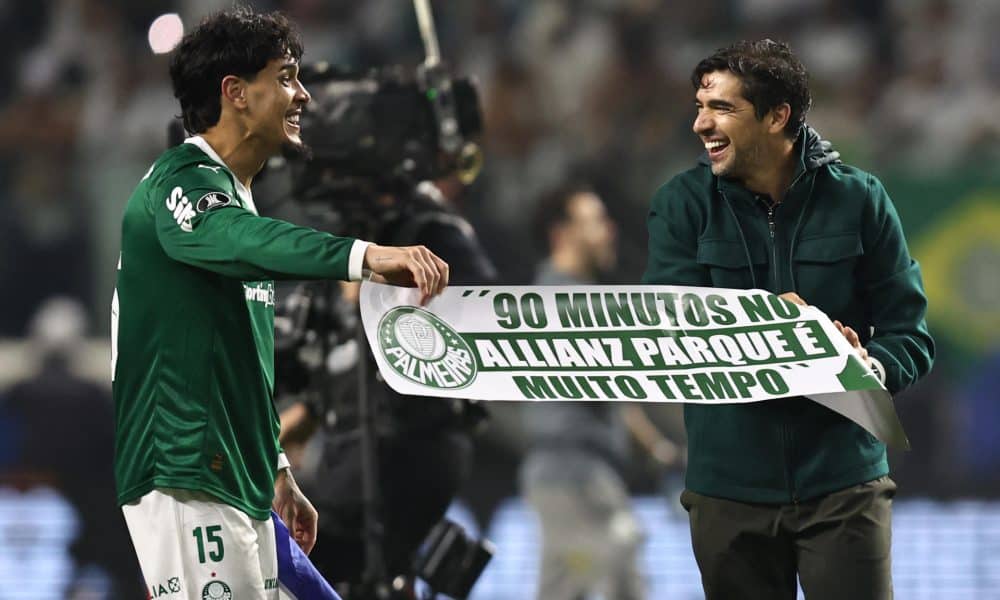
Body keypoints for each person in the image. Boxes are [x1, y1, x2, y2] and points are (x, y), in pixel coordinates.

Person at [111, 9, 449, 599]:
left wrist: (278, 467)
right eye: (287, 77)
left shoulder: (233, 201)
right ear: (235, 92)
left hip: (235, 479)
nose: (304, 95)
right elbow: (246, 242)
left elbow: (238, 362)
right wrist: (368, 255)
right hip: (187, 473)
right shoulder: (179, 184)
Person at [642, 40, 934, 600]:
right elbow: (672, 331)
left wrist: (868, 363)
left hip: (844, 483)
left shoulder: (861, 199)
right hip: (728, 488)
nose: (701, 123)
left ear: (779, 116)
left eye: (722, 108)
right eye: (700, 106)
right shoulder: (680, 205)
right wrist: (775, 324)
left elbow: (911, 336)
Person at [521, 183, 682, 600]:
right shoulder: (559, 299)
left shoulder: (573, 298)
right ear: (562, 234)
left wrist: (655, 448)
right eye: (595, 222)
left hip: (571, 475)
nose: (608, 230)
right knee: (622, 581)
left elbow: (610, 389)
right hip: (574, 475)